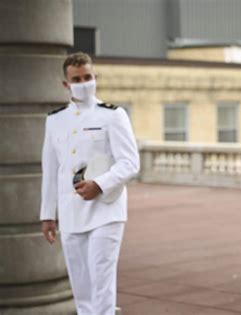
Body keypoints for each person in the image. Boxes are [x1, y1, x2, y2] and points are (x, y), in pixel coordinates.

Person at [40, 52, 140, 315]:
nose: (83, 83)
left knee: (102, 285)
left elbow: (130, 162)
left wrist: (100, 184)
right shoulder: (54, 120)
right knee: (81, 290)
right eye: (77, 79)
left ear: (96, 78)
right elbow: (51, 171)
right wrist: (47, 215)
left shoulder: (113, 115)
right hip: (71, 213)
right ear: (66, 84)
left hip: (106, 211)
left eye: (88, 77)